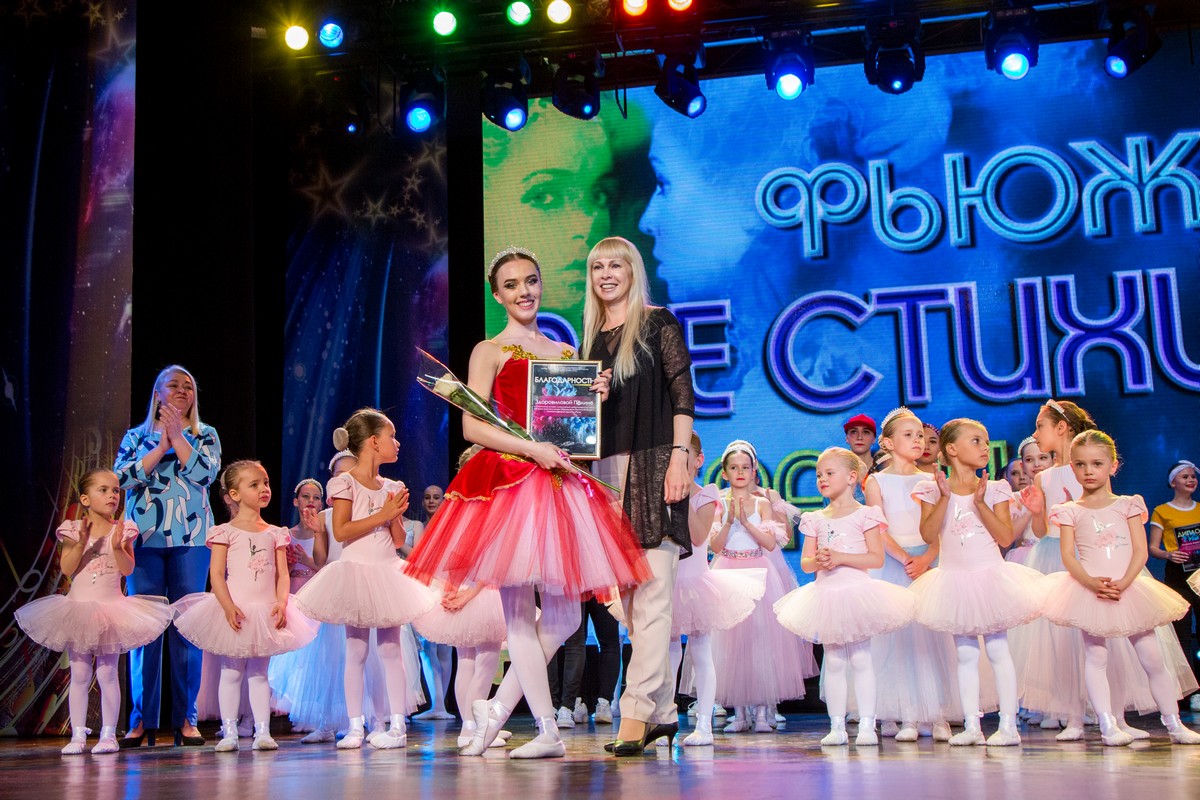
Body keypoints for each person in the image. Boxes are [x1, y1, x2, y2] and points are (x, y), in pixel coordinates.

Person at [406, 247, 649, 759]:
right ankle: (547, 730)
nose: (524, 291)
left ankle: (496, 712)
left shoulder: (566, 352)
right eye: (512, 284)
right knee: (518, 615)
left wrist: (596, 398)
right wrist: (532, 449)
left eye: (531, 281)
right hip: (511, 484)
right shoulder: (489, 349)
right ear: (497, 295)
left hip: (561, 484)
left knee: (564, 619)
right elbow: (472, 426)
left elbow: (576, 428)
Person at [580, 236, 696, 754]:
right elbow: (582, 424)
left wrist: (680, 457)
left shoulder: (657, 323)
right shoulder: (590, 341)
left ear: (632, 271)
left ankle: (634, 715)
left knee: (652, 599)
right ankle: (664, 713)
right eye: (597, 266)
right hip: (606, 473)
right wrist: (595, 398)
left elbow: (682, 394)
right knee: (627, 606)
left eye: (616, 265)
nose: (606, 274)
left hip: (655, 467)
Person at [294, 409, 439, 750]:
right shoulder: (344, 482)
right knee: (356, 651)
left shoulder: (392, 486)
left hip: (386, 571)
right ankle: (355, 726)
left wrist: (394, 517)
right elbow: (342, 531)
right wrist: (383, 514)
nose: (397, 443)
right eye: (392, 436)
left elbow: (398, 539)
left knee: (391, 650)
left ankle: (397, 725)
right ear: (374, 442)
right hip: (356, 571)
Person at [1043, 432, 1200, 745]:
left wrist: (1125, 583)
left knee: (1152, 658)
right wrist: (1091, 583)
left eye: (1097, 463)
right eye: (1081, 464)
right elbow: (1068, 556)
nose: (1089, 471)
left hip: (1128, 588)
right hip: (1091, 591)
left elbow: (1140, 551)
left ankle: (1174, 724)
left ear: (1113, 466)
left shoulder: (1128, 504)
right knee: (1095, 656)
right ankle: (1107, 725)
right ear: (1072, 468)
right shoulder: (1070, 510)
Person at [15, 469, 173, 754]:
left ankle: (109, 735)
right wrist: (80, 543)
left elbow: (127, 569)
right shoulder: (73, 529)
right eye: (104, 490)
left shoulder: (123, 529)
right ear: (85, 499)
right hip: (79, 611)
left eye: (115, 490)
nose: (112, 495)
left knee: (108, 673)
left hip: (111, 610)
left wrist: (118, 547)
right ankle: (78, 735)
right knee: (79, 673)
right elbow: (67, 568)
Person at [911, 418, 1044, 746]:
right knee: (966, 654)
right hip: (954, 581)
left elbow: (1005, 537)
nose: (985, 447)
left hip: (989, 577)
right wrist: (944, 497)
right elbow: (928, 534)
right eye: (976, 441)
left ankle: (1008, 725)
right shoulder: (931, 489)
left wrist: (981, 503)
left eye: (986, 441)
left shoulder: (996, 489)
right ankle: (972, 725)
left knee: (998, 648)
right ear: (952, 449)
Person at [172, 461, 319, 751]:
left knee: (260, 673)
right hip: (235, 611)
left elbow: (283, 574)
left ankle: (262, 731)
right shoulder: (224, 532)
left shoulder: (275, 533)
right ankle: (229, 731)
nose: (264, 489)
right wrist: (227, 606)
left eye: (266, 483)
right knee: (231, 671)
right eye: (254, 485)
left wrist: (281, 603)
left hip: (265, 610)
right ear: (234, 494)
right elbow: (216, 575)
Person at [776, 447, 916, 746]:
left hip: (856, 594)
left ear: (852, 477)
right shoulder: (814, 518)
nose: (822, 479)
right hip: (827, 595)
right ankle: (837, 726)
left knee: (862, 658)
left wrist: (840, 557)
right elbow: (806, 563)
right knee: (835, 661)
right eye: (818, 475)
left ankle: (867, 725)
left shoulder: (866, 514)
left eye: (829, 473)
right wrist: (819, 560)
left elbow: (876, 558)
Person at [114, 365, 221, 747]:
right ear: (157, 394)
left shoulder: (205, 434)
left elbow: (206, 474)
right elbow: (121, 478)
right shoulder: (135, 437)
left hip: (191, 540)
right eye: (173, 385)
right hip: (143, 541)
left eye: (188, 386)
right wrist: (161, 445)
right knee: (145, 631)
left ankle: (186, 720)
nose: (182, 390)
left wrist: (178, 438)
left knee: (186, 628)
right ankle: (141, 721)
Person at [661, 431, 766, 746]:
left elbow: (697, 537)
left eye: (684, 457)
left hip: (696, 586)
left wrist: (681, 494)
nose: (676, 463)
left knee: (701, 654)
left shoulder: (706, 495)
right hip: (666, 585)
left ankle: (704, 726)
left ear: (698, 460)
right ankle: (663, 721)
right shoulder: (659, 493)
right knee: (667, 656)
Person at [709, 440, 815, 734]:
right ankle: (739, 712)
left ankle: (760, 711)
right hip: (728, 571)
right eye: (734, 468)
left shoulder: (762, 503)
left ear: (754, 471)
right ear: (725, 472)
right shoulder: (719, 504)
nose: (740, 472)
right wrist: (729, 522)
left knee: (759, 642)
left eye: (745, 467)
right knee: (731, 644)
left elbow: (770, 543)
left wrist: (747, 522)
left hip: (758, 571)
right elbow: (714, 546)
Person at [863, 407, 956, 741]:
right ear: (888, 443)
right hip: (893, 563)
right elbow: (879, 527)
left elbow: (941, 527)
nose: (918, 441)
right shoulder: (876, 481)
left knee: (931, 638)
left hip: (927, 561)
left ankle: (938, 713)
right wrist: (906, 559)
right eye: (908, 435)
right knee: (897, 640)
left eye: (920, 436)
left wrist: (927, 557)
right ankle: (907, 715)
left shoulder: (930, 480)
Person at [1150, 459, 1200, 705]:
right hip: (1178, 575)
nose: (1191, 480)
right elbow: (1152, 547)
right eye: (1185, 477)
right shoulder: (1162, 511)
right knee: (1182, 633)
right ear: (1173, 483)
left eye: (1193, 476)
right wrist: (1169, 554)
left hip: (1199, 573)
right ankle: (1187, 691)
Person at [286, 479, 324, 592]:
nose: (311, 500)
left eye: (316, 497)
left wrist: (307, 560)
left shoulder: (324, 534)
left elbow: (330, 568)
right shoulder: (286, 535)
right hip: (293, 590)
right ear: (296, 502)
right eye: (306, 496)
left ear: (321, 505)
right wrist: (290, 563)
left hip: (316, 590)